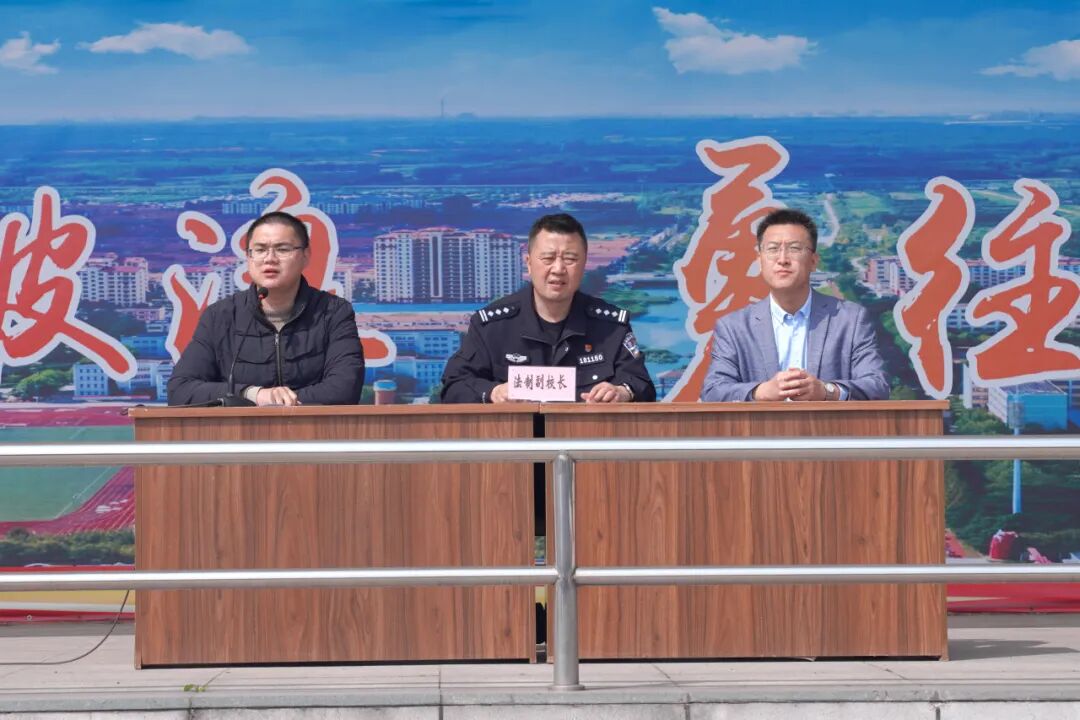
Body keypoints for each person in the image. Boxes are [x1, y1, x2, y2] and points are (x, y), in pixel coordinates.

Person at [441, 213, 656, 404]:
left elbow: (641, 384)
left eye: (570, 259)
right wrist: (493, 393)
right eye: (548, 258)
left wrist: (622, 392)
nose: (558, 269)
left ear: (583, 265)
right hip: (515, 436)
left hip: (584, 436)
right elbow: (454, 386)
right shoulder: (491, 327)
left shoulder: (611, 327)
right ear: (528, 263)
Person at [167, 211, 364, 406]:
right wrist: (252, 394)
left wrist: (281, 403)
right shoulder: (220, 316)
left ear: (305, 256)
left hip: (312, 426)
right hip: (240, 427)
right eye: (260, 250)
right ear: (248, 257)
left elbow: (345, 388)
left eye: (283, 249)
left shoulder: (333, 312)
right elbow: (181, 390)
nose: (270, 258)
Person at [701, 208, 888, 402]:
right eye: (773, 249)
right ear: (760, 261)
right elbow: (713, 391)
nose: (782, 260)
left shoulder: (850, 319)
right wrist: (761, 392)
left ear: (813, 261)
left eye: (794, 248)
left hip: (827, 423)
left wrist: (826, 391)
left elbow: (877, 385)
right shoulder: (733, 327)